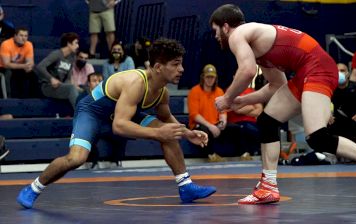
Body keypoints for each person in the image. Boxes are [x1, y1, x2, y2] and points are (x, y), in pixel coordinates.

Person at [209, 4, 356, 204]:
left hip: (317, 68)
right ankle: (268, 186)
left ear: (226, 26)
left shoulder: (239, 34)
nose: (216, 36)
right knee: (267, 121)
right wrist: (242, 99)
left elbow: (246, 71)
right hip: (306, 71)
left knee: (317, 137)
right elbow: (277, 85)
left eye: (215, 31)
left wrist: (228, 98)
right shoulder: (257, 44)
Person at [17, 38, 216, 209]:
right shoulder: (136, 83)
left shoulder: (162, 91)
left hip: (122, 114)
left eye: (181, 63)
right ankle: (34, 187)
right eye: (176, 64)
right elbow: (119, 126)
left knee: (169, 131)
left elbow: (166, 119)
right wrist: (158, 133)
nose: (182, 69)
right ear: (158, 67)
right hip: (93, 112)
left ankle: (185, 185)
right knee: (76, 159)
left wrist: (188, 133)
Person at [187, 64, 229, 162]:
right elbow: (194, 115)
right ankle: (211, 155)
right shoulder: (194, 91)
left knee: (236, 128)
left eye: (212, 77)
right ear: (203, 77)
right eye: (208, 77)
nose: (210, 79)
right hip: (199, 125)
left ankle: (241, 154)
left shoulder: (219, 91)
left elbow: (223, 111)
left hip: (215, 123)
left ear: (215, 78)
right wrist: (211, 126)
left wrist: (223, 122)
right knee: (204, 129)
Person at [328, 63, 356, 148]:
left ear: (348, 73)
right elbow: (325, 104)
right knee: (326, 124)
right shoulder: (330, 88)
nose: (339, 73)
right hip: (338, 120)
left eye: (342, 71)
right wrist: (329, 115)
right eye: (337, 71)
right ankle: (331, 153)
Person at [35, 32, 80, 109]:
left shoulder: (72, 57)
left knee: (84, 90)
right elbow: (40, 66)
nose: (78, 46)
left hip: (61, 86)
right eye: (76, 43)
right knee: (71, 88)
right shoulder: (56, 54)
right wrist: (51, 79)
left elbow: (68, 78)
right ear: (69, 44)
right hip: (48, 86)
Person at [227, 78, 263, 160]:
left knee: (266, 127)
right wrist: (251, 107)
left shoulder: (252, 91)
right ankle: (245, 153)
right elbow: (237, 109)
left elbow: (259, 110)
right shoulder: (231, 91)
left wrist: (246, 108)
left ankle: (260, 151)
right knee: (246, 127)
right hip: (237, 122)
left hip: (252, 122)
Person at [0, 27, 38, 98]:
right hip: (3, 68)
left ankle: (32, 99)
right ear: (15, 36)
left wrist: (29, 67)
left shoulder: (29, 44)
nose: (23, 38)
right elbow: (6, 64)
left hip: (19, 67)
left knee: (33, 75)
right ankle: (9, 98)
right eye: (21, 35)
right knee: (9, 73)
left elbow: (30, 62)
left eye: (25, 36)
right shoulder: (6, 44)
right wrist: (24, 66)